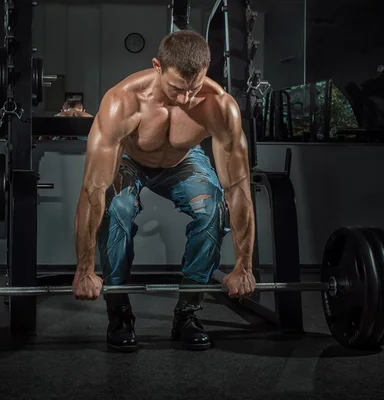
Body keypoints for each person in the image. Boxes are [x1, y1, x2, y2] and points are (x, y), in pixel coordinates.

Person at [72, 30, 256, 352]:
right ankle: (119, 312)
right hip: (130, 159)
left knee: (212, 207)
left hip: (184, 161)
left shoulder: (219, 106)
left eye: (193, 88)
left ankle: (187, 313)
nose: (185, 99)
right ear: (157, 66)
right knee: (117, 209)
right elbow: (93, 190)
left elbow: (238, 188)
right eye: (176, 88)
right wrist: (84, 269)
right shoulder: (123, 102)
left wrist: (245, 266)